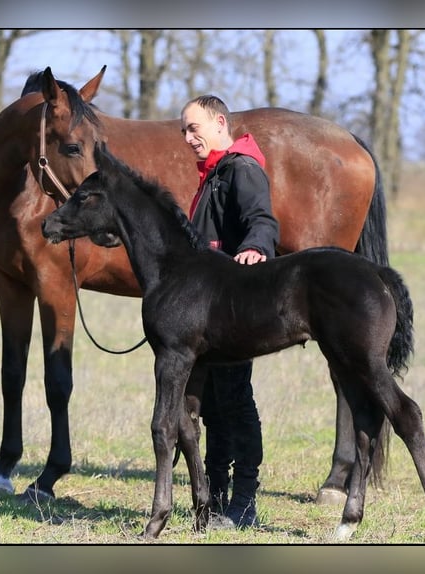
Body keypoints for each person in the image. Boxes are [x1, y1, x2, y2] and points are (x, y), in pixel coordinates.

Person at [180, 95, 279, 529]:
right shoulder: (214, 174)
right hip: (208, 310)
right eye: (183, 130)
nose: (188, 138)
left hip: (232, 310)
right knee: (215, 406)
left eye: (193, 128)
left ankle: (244, 505)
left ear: (220, 122)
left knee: (236, 402)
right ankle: (216, 501)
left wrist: (256, 247)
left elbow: (262, 218)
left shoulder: (241, 168)